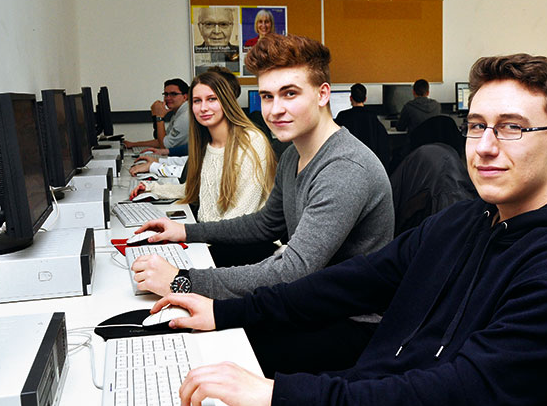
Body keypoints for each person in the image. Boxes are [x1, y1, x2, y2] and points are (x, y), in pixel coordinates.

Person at [150, 53, 547, 406]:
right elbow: (349, 283)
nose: (484, 146)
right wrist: (225, 311)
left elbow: (461, 399)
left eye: (512, 128)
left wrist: (281, 397)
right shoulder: (467, 221)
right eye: (477, 126)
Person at [132, 34, 394, 375]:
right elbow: (264, 225)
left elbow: (293, 270)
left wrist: (183, 280)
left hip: (350, 324)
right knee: (188, 334)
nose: (275, 109)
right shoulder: (293, 156)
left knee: (207, 355)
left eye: (290, 93)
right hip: (309, 303)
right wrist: (183, 230)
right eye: (267, 96)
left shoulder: (345, 168)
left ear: (323, 94)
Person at [130, 70, 275, 227]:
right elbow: (196, 191)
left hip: (241, 244)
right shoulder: (206, 143)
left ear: (226, 102)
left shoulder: (251, 141)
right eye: (197, 101)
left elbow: (242, 214)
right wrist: (152, 189)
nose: (203, 108)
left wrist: (191, 234)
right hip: (211, 237)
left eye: (212, 99)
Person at [123, 79, 189, 156]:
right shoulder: (178, 113)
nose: (168, 98)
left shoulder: (185, 117)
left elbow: (164, 146)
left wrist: (159, 117)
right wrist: (133, 144)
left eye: (173, 94)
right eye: (166, 94)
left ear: (184, 97)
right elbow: (161, 140)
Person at [334, 83, 390, 167]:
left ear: (350, 98)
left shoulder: (343, 116)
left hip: (347, 162)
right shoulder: (372, 116)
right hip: (368, 162)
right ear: (365, 99)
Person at [194, 7, 239, 75]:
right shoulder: (194, 52)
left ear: (231, 27)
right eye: (209, 24)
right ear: (200, 27)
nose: (217, 31)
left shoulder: (239, 54)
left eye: (223, 24)